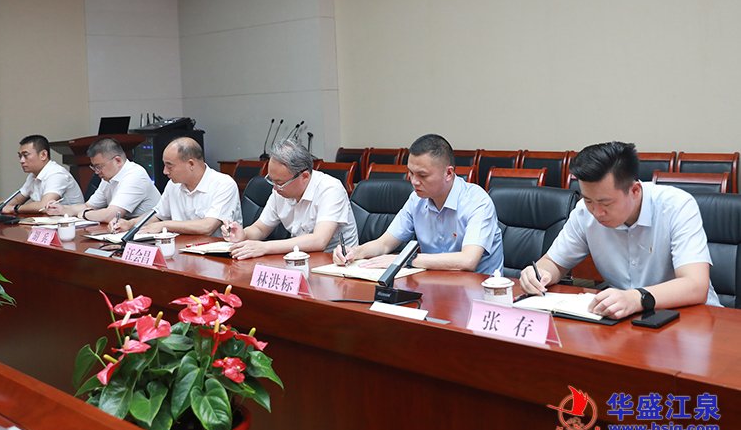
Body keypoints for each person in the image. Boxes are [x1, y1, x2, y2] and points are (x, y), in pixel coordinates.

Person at [519, 141, 721, 319]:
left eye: (605, 203)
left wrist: (636, 298)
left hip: (692, 318)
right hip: (625, 319)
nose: (596, 212)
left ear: (635, 191)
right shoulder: (583, 212)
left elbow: (695, 285)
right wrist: (539, 274)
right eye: (588, 200)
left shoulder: (677, 206)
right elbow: (554, 262)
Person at [333, 134, 503, 274]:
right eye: (411, 173)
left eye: (422, 175)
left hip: (479, 292)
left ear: (448, 173)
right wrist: (355, 252)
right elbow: (384, 244)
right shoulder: (416, 199)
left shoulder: (477, 201)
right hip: (434, 285)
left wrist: (404, 260)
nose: (414, 181)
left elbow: (468, 260)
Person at [223, 139, 358, 259]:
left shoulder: (330, 189)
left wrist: (265, 247)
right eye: (272, 180)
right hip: (299, 260)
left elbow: (319, 240)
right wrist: (243, 234)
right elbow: (260, 229)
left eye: (280, 182)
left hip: (335, 263)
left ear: (304, 176)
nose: (275, 188)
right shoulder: (279, 191)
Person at [111, 137, 240, 236]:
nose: (165, 171)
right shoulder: (173, 185)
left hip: (216, 256)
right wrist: (130, 224)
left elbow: (207, 227)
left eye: (170, 166)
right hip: (181, 248)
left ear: (191, 164)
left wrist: (165, 225)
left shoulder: (223, 184)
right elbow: (157, 216)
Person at [46, 138, 160, 223]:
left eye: (99, 167)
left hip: (148, 232)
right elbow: (88, 206)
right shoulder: (108, 178)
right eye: (94, 167)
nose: (96, 172)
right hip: (123, 228)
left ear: (118, 161)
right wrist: (62, 209)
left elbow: (111, 215)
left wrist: (85, 214)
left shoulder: (135, 176)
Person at [0, 134, 83, 215]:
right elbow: (17, 199)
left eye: (25, 155)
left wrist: (14, 209)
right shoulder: (33, 176)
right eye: (20, 156)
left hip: (71, 225)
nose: (21, 161)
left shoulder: (57, 174)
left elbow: (44, 205)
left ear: (43, 155)